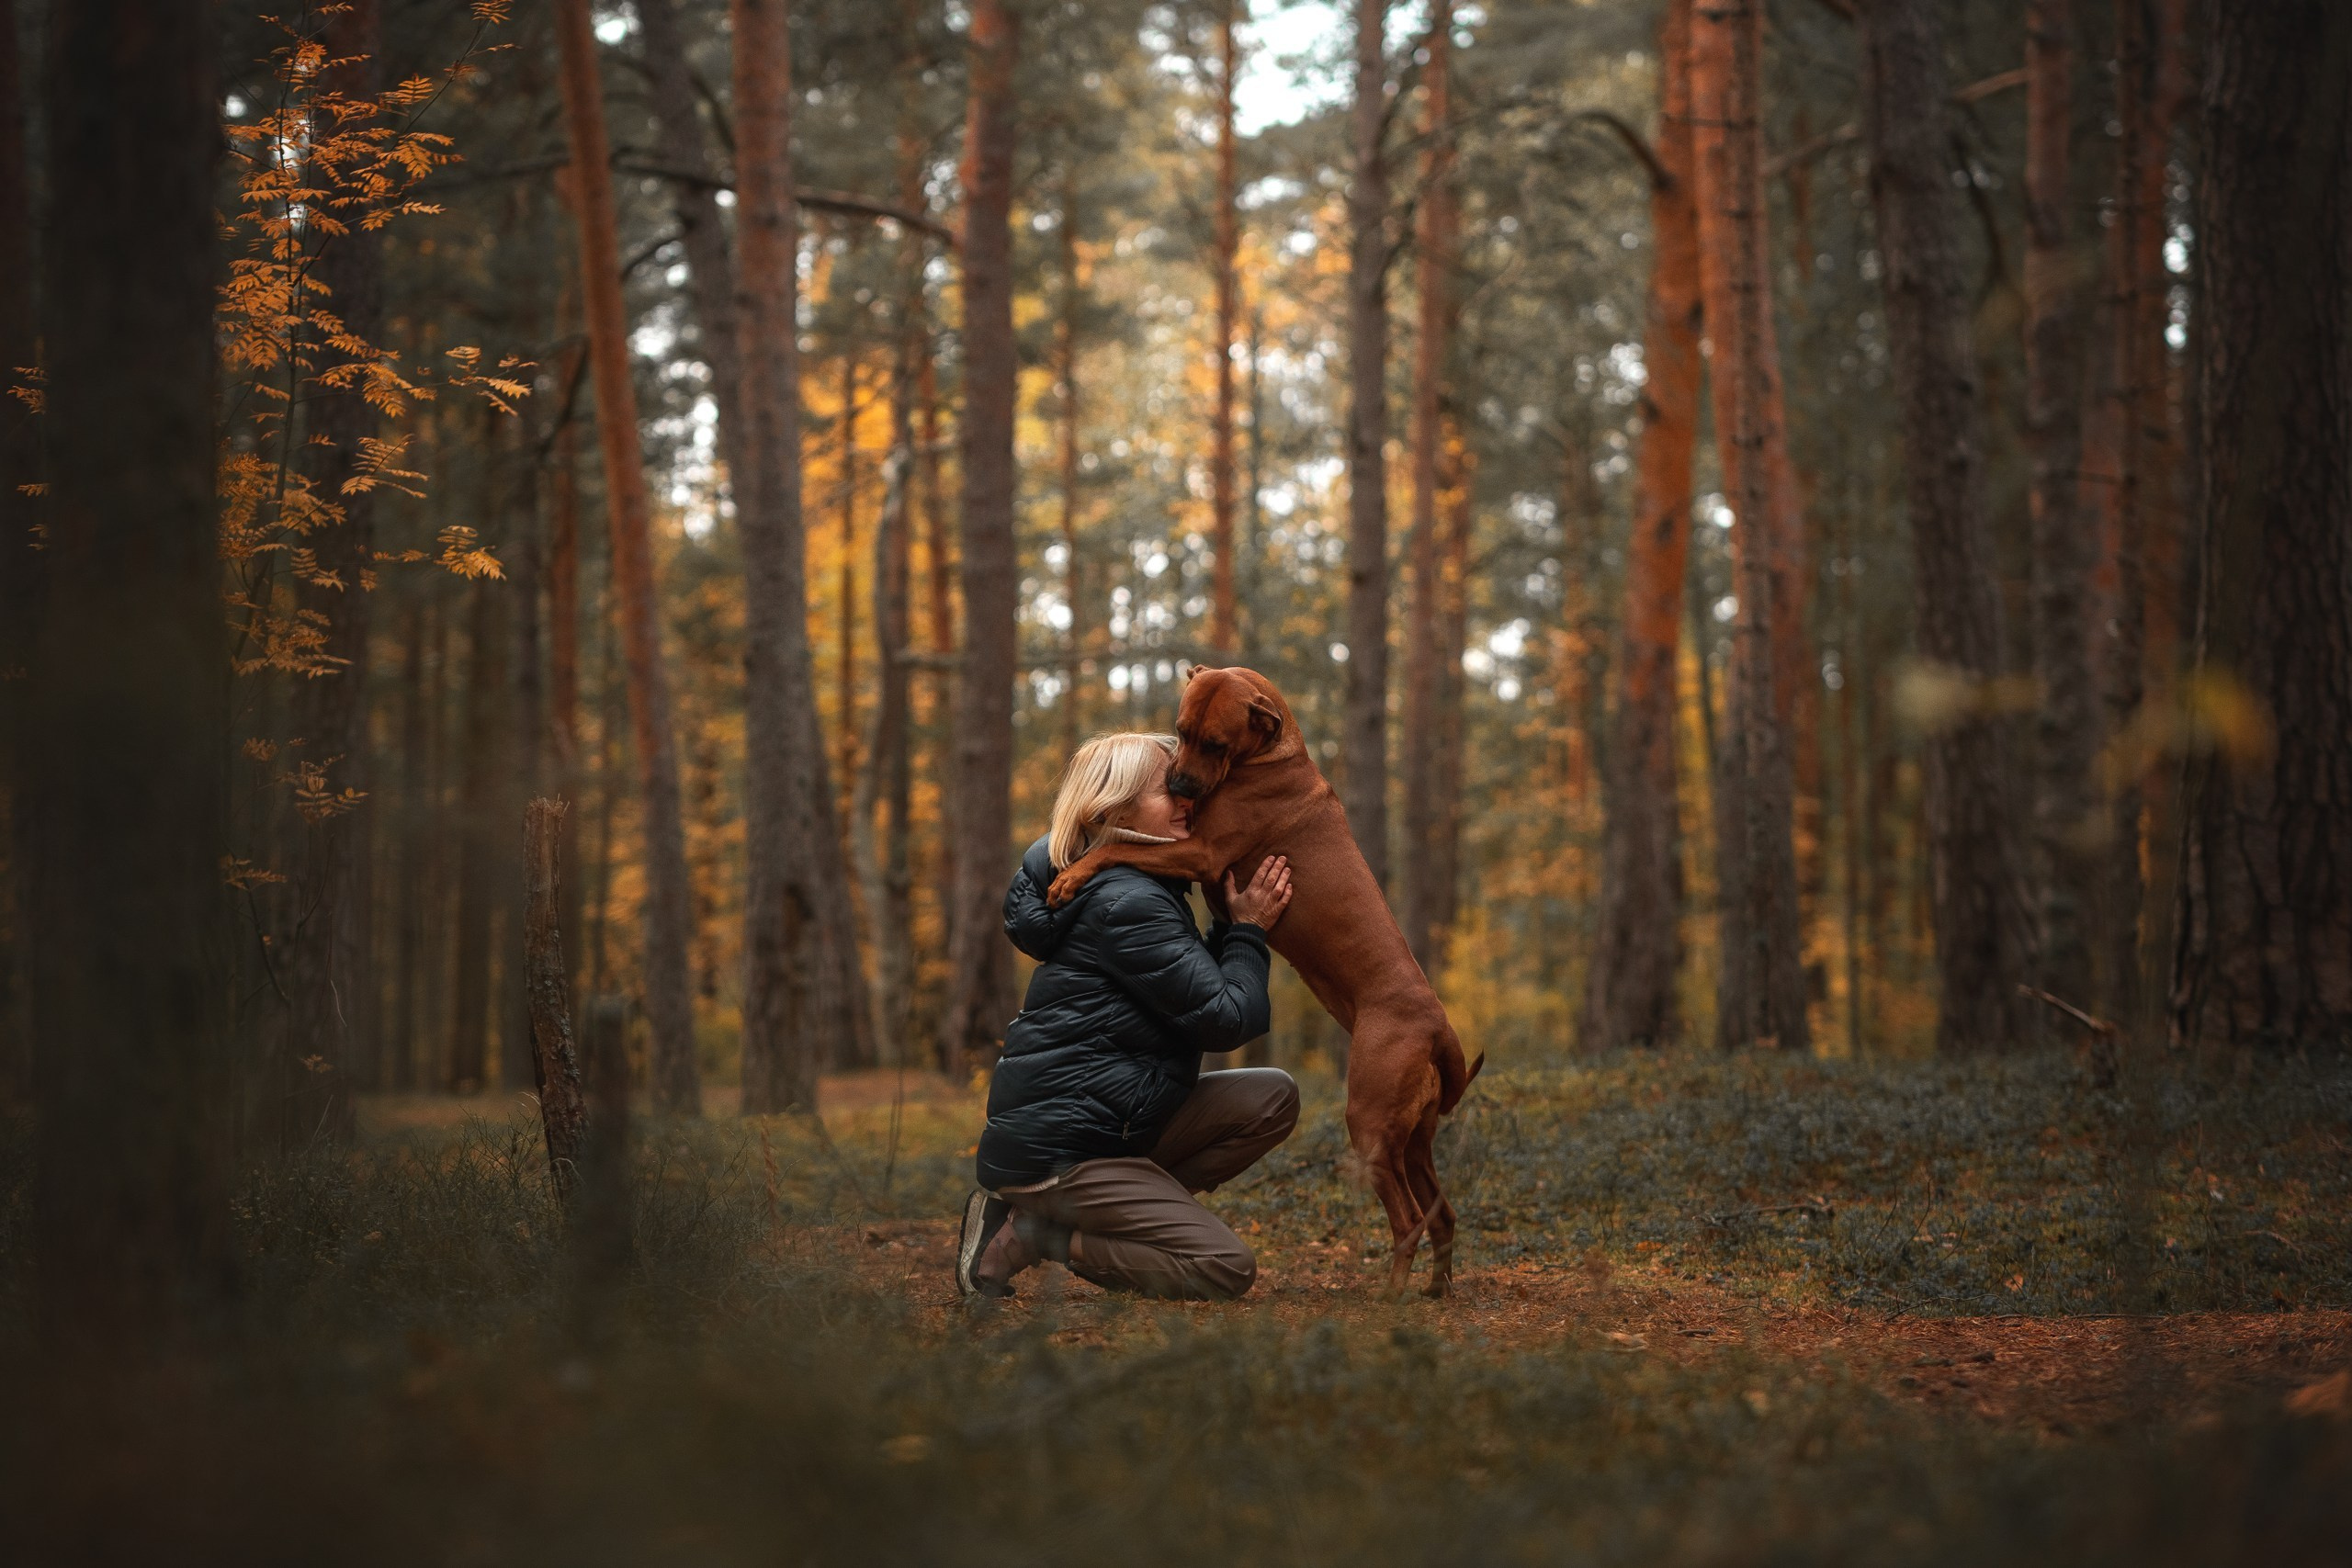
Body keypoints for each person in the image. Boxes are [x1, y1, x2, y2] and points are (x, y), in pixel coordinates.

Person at [955, 731, 1298, 1302]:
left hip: (1110, 1123)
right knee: (1223, 1265)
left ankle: (1117, 1210)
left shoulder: (1139, 888)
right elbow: (1226, 1019)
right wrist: (1248, 932)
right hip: (1063, 1150)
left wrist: (1222, 918)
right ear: (1112, 809)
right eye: (1171, 790)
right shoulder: (1126, 901)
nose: (1190, 797)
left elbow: (1187, 991)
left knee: (1271, 1097)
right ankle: (1040, 1233)